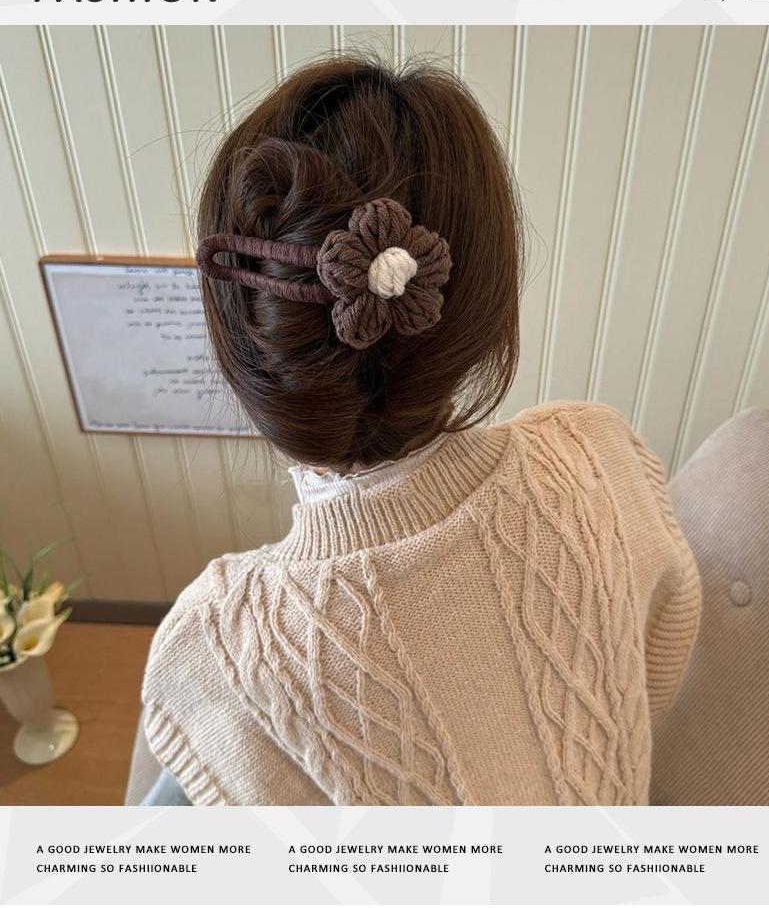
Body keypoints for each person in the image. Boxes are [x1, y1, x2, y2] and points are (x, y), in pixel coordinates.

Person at [139, 57, 700, 806]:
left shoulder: (217, 649)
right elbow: (657, 666)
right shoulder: (598, 456)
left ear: (246, 340)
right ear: (487, 303)